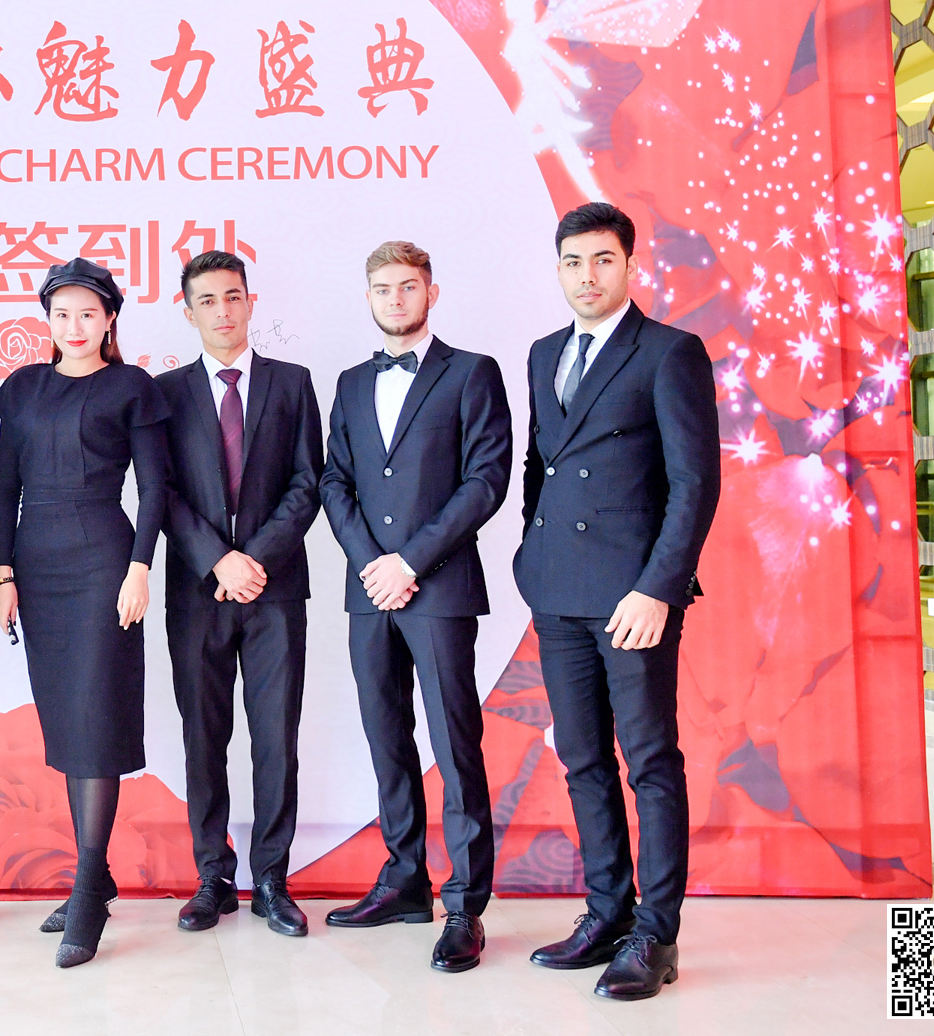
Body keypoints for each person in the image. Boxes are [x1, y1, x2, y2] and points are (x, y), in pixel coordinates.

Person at [515, 202, 719, 1002]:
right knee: (582, 758)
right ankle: (606, 912)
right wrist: (530, 556)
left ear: (630, 265)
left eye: (602, 260)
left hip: (633, 596)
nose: (587, 276)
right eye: (573, 262)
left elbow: (694, 483)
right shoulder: (543, 352)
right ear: (558, 270)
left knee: (650, 761)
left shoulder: (669, 351)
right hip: (557, 589)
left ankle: (655, 936)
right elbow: (540, 465)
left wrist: (659, 588)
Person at [319, 240, 512, 973]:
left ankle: (464, 905)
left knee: (455, 744)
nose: (395, 299)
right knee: (386, 737)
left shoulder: (471, 372)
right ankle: (404, 880)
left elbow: (486, 480)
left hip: (440, 588)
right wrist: (373, 564)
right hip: (370, 591)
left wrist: (410, 562)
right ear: (368, 297)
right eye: (383, 289)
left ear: (432, 293)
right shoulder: (350, 382)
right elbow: (335, 481)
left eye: (407, 287)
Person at [0, 258, 171, 968]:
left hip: (104, 563)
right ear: (47, 319)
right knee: (67, 722)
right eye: (62, 314)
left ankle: (89, 888)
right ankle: (95, 872)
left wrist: (140, 568)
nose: (74, 326)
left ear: (109, 319)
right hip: (38, 567)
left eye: (88, 314)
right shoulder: (22, 388)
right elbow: (5, 490)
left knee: (97, 719)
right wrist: (3, 573)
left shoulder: (132, 388)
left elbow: (154, 489)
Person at [156, 250, 323, 937]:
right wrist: (217, 560)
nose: (222, 311)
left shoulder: (292, 382)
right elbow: (161, 491)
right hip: (198, 589)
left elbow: (309, 481)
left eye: (233, 297)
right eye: (208, 300)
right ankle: (212, 875)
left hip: (274, 587)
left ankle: (273, 879)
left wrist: (253, 558)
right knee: (204, 735)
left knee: (276, 735)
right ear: (188, 311)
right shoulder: (164, 393)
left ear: (251, 302)